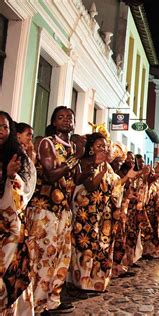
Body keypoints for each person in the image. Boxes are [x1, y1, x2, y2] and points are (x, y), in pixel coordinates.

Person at [26, 106, 85, 314]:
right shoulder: (46, 143)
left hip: (64, 211)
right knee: (44, 255)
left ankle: (53, 300)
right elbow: (51, 174)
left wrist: (82, 158)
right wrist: (75, 158)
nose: (67, 120)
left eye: (70, 117)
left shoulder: (71, 147)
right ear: (53, 122)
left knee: (62, 256)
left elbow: (77, 179)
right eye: (61, 117)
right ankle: (37, 302)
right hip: (46, 210)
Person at [71, 133, 136, 293]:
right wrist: (98, 165)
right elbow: (91, 186)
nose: (103, 149)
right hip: (87, 213)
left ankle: (97, 282)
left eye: (105, 146)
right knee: (87, 246)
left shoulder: (108, 167)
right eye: (99, 146)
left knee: (102, 248)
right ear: (91, 148)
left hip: (104, 214)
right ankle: (82, 283)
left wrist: (127, 178)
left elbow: (115, 186)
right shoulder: (85, 163)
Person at [0, 111, 36, 315]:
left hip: (10, 231)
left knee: (12, 275)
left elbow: (21, 196)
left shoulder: (16, 156)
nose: (1, 131)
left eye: (5, 127)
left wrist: (11, 176)